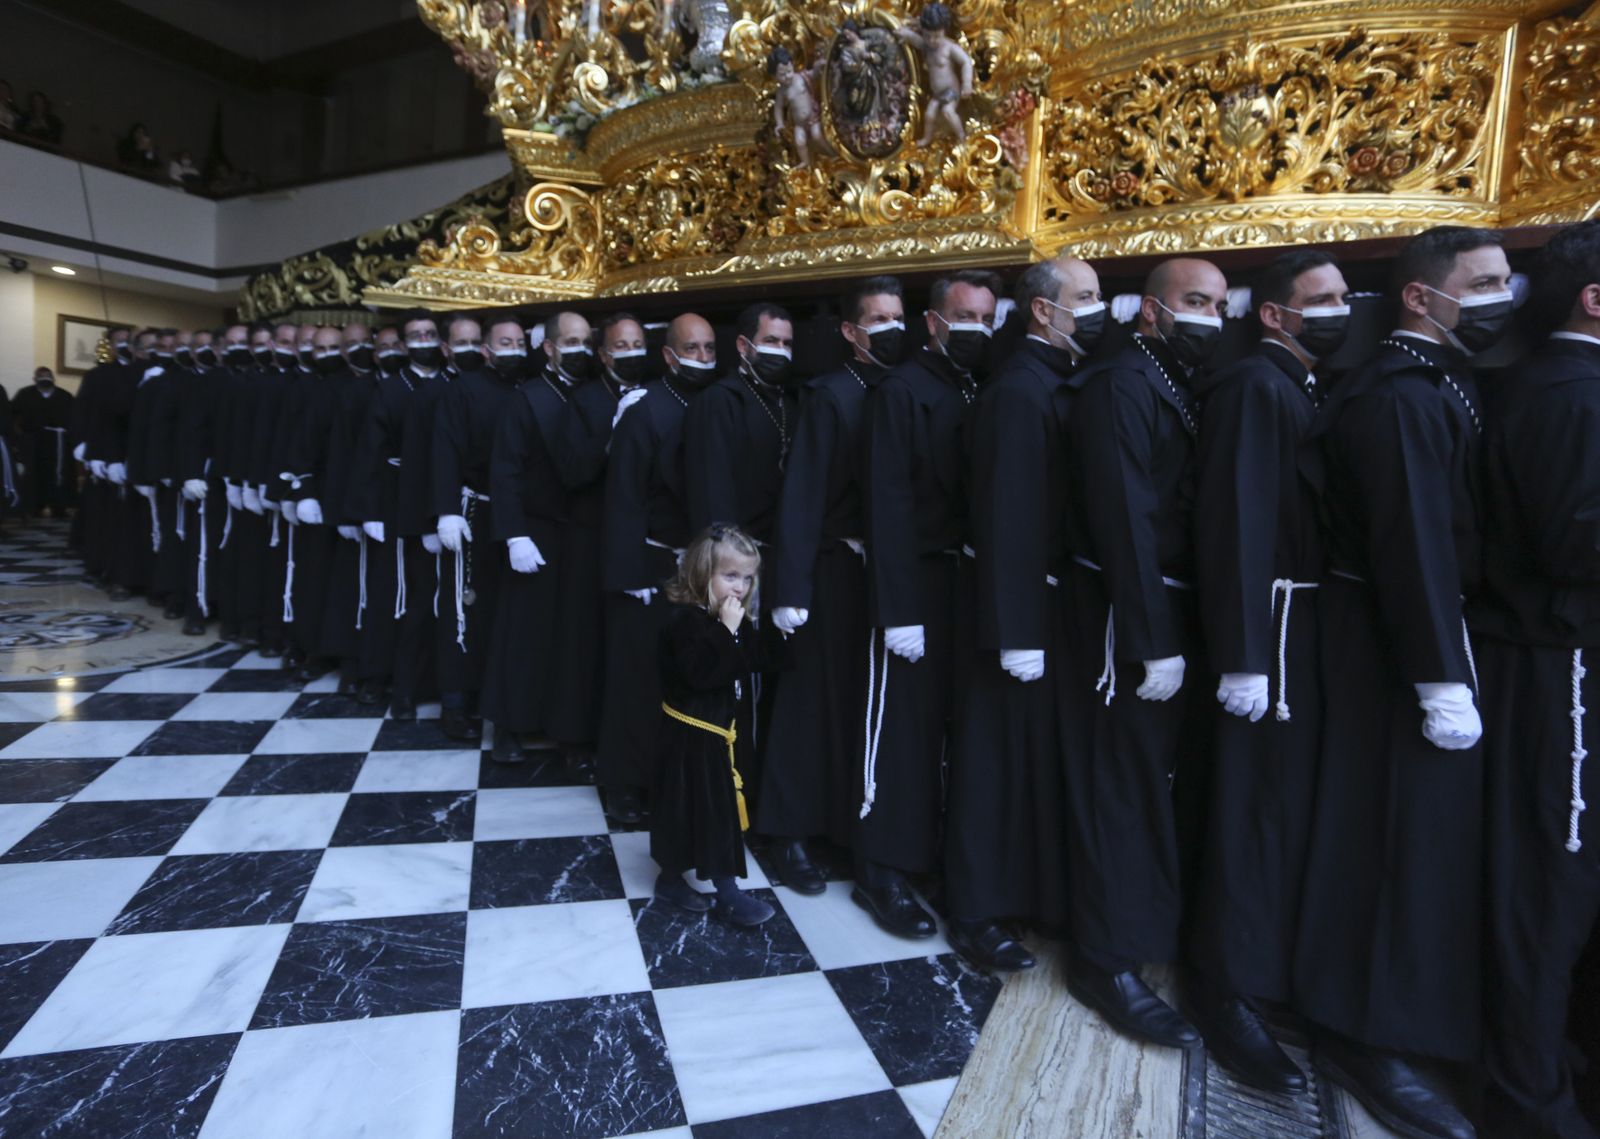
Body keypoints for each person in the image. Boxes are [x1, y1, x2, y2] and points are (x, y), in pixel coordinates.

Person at [1296, 226, 1512, 1139]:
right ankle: (1362, 1031)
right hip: (1389, 643)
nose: (1506, 294)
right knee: (1382, 827)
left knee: (1417, 834)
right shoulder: (1392, 395)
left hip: (1426, 630)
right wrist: (1438, 676)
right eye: (1487, 281)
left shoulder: (1431, 380)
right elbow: (1411, 543)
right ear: (1422, 296)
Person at [1184, 250, 1348, 1094]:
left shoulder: (1297, 383)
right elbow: (1237, 524)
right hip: (1267, 633)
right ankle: (1222, 985)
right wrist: (1245, 655)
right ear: (1276, 314)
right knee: (1246, 807)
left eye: (1343, 296)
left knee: (1279, 809)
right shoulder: (1254, 386)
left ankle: (1262, 968)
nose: (1339, 308)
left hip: (1301, 627)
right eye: (1319, 299)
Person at [1061, 256, 1227, 1047]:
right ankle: (1103, 958)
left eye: (1221, 304)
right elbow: (1123, 515)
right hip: (1125, 615)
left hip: (1169, 604)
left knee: (1151, 780)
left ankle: (1143, 932)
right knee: (1117, 783)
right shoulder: (1120, 381)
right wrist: (1151, 638)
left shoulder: (1173, 381)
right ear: (1152, 311)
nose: (1211, 317)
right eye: (1195, 301)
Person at [1472, 220, 1600, 1139]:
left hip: (1562, 661)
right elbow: (1571, 542)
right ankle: (1528, 1096)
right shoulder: (1571, 394)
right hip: (1560, 668)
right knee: (1548, 880)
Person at [945, 257, 1106, 967]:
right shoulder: (1018, 388)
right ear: (1044, 310)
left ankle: (1032, 896)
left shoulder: (1055, 378)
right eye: (1089, 297)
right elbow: (1005, 512)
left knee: (1034, 761)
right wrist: (1016, 629)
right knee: (992, 765)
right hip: (1017, 612)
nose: (1102, 308)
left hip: (1052, 604)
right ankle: (976, 908)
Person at [860, 269, 999, 950]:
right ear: (934, 322)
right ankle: (882, 867)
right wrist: (898, 609)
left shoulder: (976, 386)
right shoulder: (900, 390)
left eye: (986, 316)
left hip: (963, 583)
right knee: (905, 733)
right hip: (914, 584)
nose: (976, 327)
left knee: (957, 731)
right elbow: (886, 504)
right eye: (965, 315)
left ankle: (942, 862)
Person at [761, 276, 906, 904]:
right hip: (830, 570)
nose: (890, 326)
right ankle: (788, 832)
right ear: (851, 331)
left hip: (889, 575)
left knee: (864, 708)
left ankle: (852, 826)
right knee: (808, 701)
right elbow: (802, 498)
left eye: (898, 315)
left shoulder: (905, 389)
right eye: (877, 317)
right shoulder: (830, 396)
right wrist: (790, 587)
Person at [598, 312, 717, 823]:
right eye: (692, 349)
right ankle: (625, 782)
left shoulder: (717, 403)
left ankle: (679, 778)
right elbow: (623, 498)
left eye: (711, 349)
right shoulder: (645, 411)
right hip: (650, 564)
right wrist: (632, 575)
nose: (703, 359)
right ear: (668, 355)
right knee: (637, 678)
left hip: (701, 568)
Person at [481, 310, 592, 764]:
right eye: (571, 342)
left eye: (587, 341)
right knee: (523, 633)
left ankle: (570, 731)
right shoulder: (525, 399)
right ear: (548, 348)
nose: (580, 350)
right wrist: (514, 535)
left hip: (581, 533)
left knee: (574, 637)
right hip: (535, 531)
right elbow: (504, 470)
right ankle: (510, 724)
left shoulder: (595, 394)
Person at [651, 523, 773, 927]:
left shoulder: (731, 617)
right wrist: (727, 632)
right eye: (730, 576)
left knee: (712, 810)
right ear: (704, 572)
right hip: (689, 735)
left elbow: (750, 661)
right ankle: (713, 889)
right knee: (685, 810)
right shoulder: (683, 622)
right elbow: (700, 675)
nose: (739, 587)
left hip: (718, 736)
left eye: (747, 578)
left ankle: (717, 887)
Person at [552, 313, 648, 776]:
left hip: (637, 538)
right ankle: (576, 737)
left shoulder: (654, 395)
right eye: (620, 346)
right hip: (589, 536)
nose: (630, 353)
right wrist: (613, 433)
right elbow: (571, 471)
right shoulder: (584, 399)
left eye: (638, 345)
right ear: (603, 354)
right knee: (582, 640)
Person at [433, 314, 530, 741]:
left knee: (504, 613)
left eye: (519, 342)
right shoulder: (463, 390)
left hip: (517, 518)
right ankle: (455, 702)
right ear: (487, 350)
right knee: (464, 608)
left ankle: (496, 697)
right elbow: (444, 451)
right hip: (471, 514)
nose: (512, 349)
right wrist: (446, 509)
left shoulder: (528, 390)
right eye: (503, 342)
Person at [349, 311, 447, 715]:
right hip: (395, 505)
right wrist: (368, 510)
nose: (423, 341)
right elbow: (369, 452)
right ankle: (386, 679)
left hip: (441, 504)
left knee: (436, 599)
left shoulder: (450, 383)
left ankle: (434, 682)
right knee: (397, 595)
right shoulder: (389, 390)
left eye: (430, 334)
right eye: (415, 336)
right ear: (404, 345)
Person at [895, 4, 972, 146]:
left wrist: (967, 83)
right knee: (929, 115)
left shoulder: (949, 48)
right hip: (937, 93)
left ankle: (962, 137)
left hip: (951, 91)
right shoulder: (927, 45)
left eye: (937, 36)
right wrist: (906, 33)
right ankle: (927, 138)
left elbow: (966, 62)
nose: (932, 41)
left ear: (944, 31)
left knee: (948, 112)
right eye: (927, 36)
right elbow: (916, 40)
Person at [12, 366, 76, 519]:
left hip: (58, 441)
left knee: (59, 474)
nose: (45, 379)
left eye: (48, 376)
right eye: (41, 376)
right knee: (35, 473)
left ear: (53, 379)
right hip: (33, 440)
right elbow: (12, 415)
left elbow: (76, 418)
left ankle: (59, 506)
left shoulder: (65, 396)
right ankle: (35, 506)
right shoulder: (25, 394)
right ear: (35, 379)